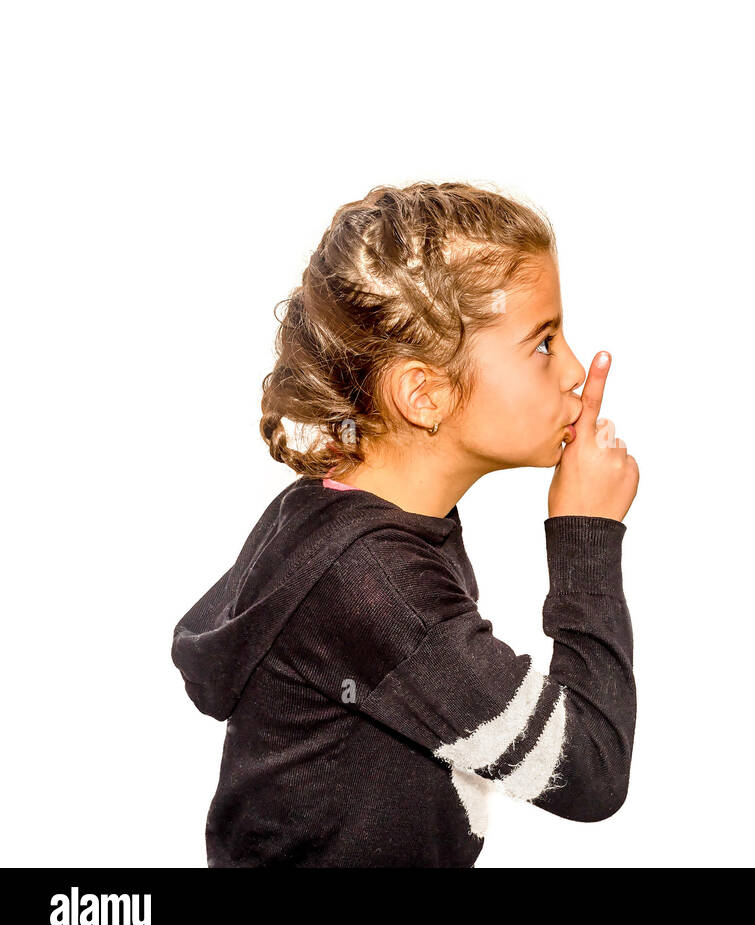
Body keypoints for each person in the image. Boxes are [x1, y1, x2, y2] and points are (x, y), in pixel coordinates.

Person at [172, 182, 639, 866]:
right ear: (426, 393)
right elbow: (591, 769)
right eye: (542, 342)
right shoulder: (371, 581)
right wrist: (586, 535)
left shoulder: (357, 523)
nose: (574, 369)